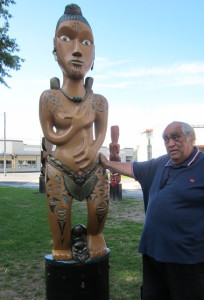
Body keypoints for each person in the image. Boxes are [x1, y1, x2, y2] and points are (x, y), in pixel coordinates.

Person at [100, 121, 204, 300]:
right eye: (166, 139)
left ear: (191, 139)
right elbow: (131, 168)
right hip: (152, 253)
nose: (170, 143)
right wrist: (106, 163)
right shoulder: (160, 163)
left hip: (187, 259)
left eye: (175, 137)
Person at [39, 4, 109, 261]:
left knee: (99, 210)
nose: (78, 50)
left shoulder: (99, 101)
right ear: (55, 47)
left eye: (87, 42)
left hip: (93, 168)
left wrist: (93, 148)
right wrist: (78, 125)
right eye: (67, 38)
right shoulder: (49, 97)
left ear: (94, 54)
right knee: (60, 224)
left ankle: (95, 235)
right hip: (60, 168)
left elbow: (100, 134)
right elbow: (50, 135)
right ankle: (61, 243)